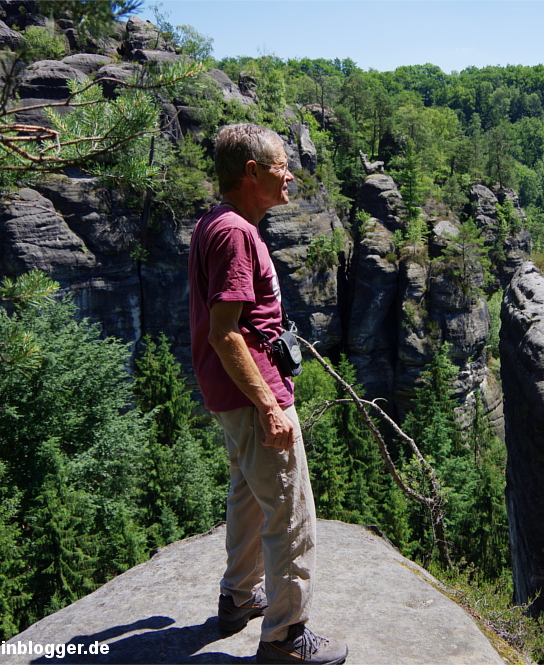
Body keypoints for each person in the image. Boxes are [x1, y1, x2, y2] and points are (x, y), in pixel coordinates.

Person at [188, 123, 348, 665]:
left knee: (249, 497)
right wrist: (271, 406)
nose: (290, 174)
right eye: (281, 164)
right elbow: (225, 331)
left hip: (229, 393)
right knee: (290, 511)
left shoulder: (217, 223)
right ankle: (285, 635)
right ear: (250, 172)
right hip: (254, 395)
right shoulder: (235, 232)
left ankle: (238, 597)